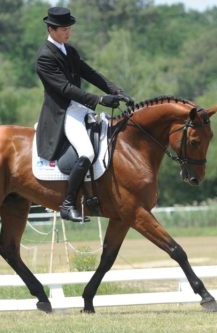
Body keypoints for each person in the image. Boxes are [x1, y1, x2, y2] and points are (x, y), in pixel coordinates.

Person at [35, 7, 132, 223]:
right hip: (63, 113)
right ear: (51, 29)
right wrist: (99, 100)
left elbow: (90, 74)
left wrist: (116, 91)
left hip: (79, 109)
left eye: (69, 28)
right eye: (64, 29)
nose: (68, 33)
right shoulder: (44, 57)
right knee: (87, 153)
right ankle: (68, 205)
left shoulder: (69, 51)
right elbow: (66, 89)